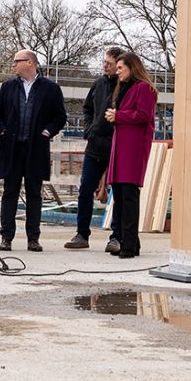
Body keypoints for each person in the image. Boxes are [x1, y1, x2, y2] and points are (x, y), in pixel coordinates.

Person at [0, 49, 67, 252]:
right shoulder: (8, 87)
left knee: (34, 193)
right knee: (10, 193)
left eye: (17, 61)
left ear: (30, 63)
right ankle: (6, 237)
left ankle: (33, 238)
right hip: (12, 149)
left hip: (36, 149)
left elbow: (60, 117)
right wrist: (3, 132)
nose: (13, 65)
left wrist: (47, 132)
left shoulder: (50, 89)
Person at [66, 46, 126, 251]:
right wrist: (88, 129)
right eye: (104, 63)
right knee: (85, 190)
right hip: (95, 145)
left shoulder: (126, 85)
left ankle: (116, 237)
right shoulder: (99, 83)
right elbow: (87, 108)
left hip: (116, 147)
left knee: (117, 192)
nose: (104, 67)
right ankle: (82, 234)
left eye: (109, 64)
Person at [104, 50, 157, 259]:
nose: (117, 72)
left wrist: (118, 115)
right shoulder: (124, 88)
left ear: (131, 68)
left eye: (120, 68)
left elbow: (144, 115)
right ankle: (131, 242)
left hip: (133, 149)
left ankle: (129, 244)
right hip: (121, 148)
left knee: (129, 195)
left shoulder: (144, 88)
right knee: (120, 196)